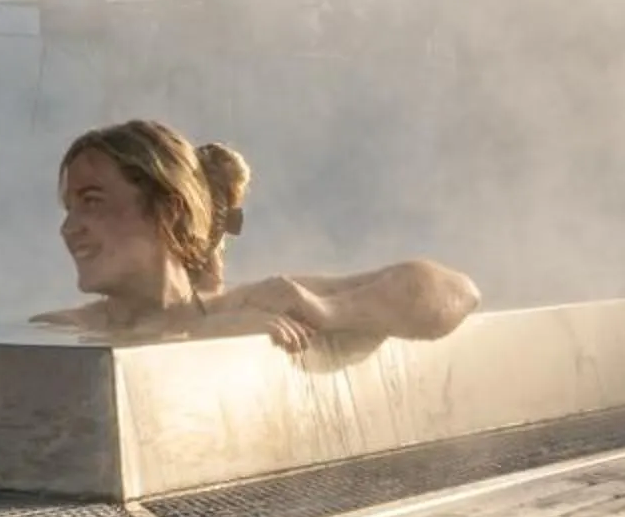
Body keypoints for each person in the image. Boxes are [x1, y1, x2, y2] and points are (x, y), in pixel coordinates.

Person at [35, 119, 477, 353]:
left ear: (167, 211)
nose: (69, 228)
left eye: (92, 201)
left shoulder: (250, 305)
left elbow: (455, 291)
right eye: (69, 208)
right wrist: (201, 335)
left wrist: (326, 313)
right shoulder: (63, 331)